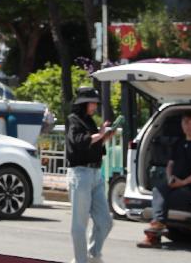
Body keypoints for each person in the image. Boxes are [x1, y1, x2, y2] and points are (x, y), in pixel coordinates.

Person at [137, 111, 191, 249]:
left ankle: (153, 234)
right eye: (186, 122)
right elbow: (170, 164)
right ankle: (157, 226)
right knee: (158, 190)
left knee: (166, 200)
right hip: (175, 183)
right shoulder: (179, 142)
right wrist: (169, 177)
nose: (189, 126)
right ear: (182, 125)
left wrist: (183, 183)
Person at [66, 86, 113, 263]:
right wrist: (99, 135)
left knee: (105, 221)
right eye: (92, 102)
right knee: (80, 224)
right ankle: (81, 261)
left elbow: (94, 146)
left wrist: (104, 137)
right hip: (80, 174)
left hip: (95, 174)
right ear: (83, 103)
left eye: (95, 102)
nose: (95, 106)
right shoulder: (74, 120)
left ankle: (93, 255)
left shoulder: (90, 121)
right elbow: (79, 142)